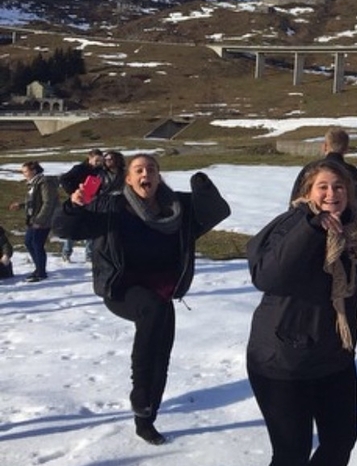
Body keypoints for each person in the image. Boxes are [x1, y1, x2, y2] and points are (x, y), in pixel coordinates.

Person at [53, 154, 230, 444]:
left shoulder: (176, 208)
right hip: (121, 287)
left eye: (151, 169)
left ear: (158, 176)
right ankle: (139, 393)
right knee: (154, 311)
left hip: (161, 290)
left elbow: (216, 213)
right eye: (139, 169)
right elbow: (64, 229)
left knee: (162, 353)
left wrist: (203, 188)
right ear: (129, 178)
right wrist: (74, 205)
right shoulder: (111, 206)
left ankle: (146, 416)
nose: (145, 173)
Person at [246, 159, 357, 466]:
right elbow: (266, 275)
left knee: (339, 443)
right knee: (291, 455)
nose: (332, 195)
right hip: (281, 358)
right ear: (306, 192)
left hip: (332, 354)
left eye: (339, 188)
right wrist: (311, 228)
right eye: (323, 187)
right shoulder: (289, 225)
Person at [290, 127, 357, 212]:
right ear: (346, 149)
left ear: (325, 146)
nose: (331, 193)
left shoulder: (310, 171)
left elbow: (294, 205)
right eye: (323, 187)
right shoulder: (354, 173)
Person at [8, 160, 58, 282]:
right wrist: (21, 205)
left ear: (34, 171)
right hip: (34, 218)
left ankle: (41, 272)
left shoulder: (44, 182)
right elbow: (35, 201)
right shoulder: (34, 184)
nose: (23, 174)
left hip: (43, 219)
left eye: (25, 171)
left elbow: (48, 203)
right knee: (29, 242)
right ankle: (38, 269)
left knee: (36, 243)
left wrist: (40, 220)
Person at [58, 148, 105, 262]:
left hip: (91, 201)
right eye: (96, 160)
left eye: (100, 160)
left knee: (89, 226)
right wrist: (73, 192)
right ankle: (66, 252)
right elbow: (64, 179)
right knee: (73, 226)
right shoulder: (79, 169)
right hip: (77, 201)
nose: (98, 163)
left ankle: (89, 254)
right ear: (90, 158)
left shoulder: (99, 171)